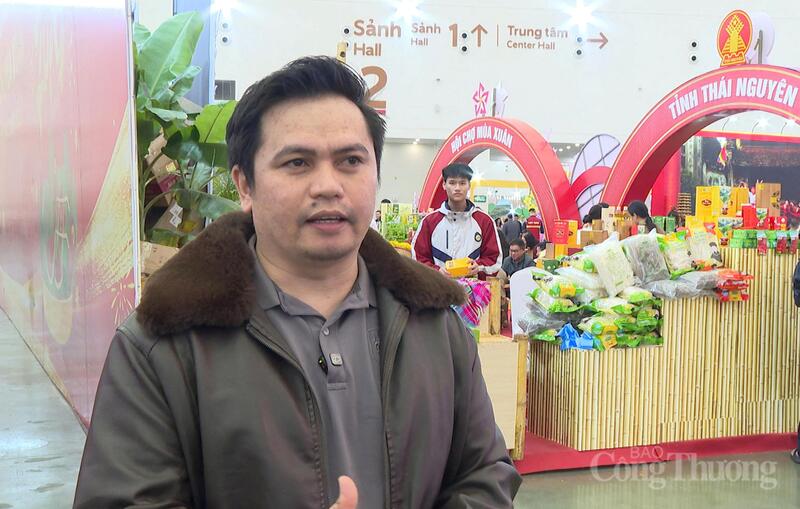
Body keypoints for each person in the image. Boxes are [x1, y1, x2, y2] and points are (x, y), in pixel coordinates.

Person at [74, 56, 520, 508]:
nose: (328, 185)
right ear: (244, 185)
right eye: (297, 162)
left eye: (350, 160)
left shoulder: (434, 327)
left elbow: (484, 474)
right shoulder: (162, 346)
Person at [411, 163, 503, 278]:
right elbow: (418, 258)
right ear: (444, 185)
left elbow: (494, 259)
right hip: (439, 286)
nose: (457, 188)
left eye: (462, 183)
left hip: (473, 287)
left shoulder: (484, 221)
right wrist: (437, 271)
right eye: (452, 183)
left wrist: (478, 267)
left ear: (469, 185)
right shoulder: (429, 222)